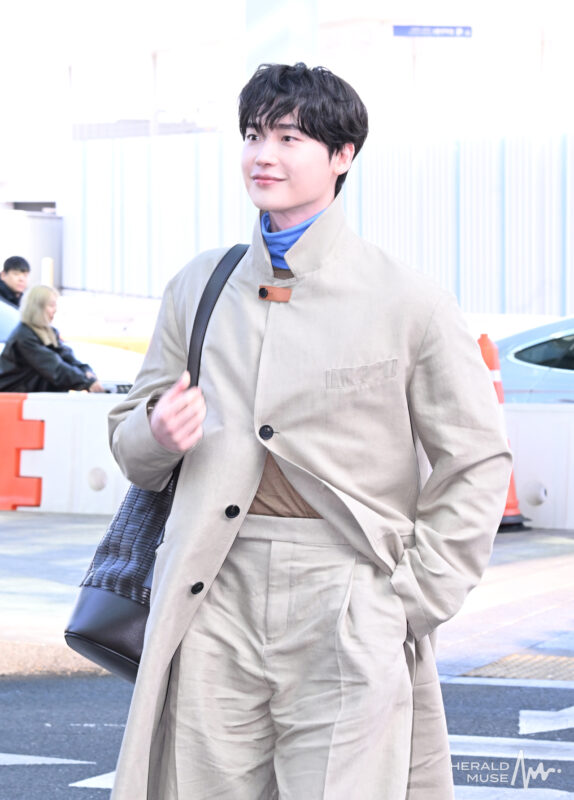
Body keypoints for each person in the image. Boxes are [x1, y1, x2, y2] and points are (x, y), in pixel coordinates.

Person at [108, 63, 512, 800]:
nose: (263, 155)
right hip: (211, 587)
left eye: (289, 138)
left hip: (347, 588)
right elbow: (130, 448)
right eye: (253, 135)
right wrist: (157, 433)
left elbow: (476, 461)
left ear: (342, 154)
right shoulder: (201, 286)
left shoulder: (409, 299)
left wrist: (409, 600)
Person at [0, 285, 105, 393]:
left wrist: (86, 371)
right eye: (51, 305)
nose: (55, 310)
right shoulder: (24, 336)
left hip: (36, 396)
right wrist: (86, 382)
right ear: (37, 308)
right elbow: (55, 369)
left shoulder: (49, 332)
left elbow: (67, 357)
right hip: (15, 398)